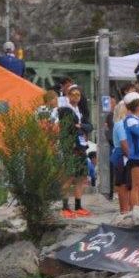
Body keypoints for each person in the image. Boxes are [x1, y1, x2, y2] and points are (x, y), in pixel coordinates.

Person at [53, 84, 93, 217]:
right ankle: (64, 207)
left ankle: (78, 206)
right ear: (68, 96)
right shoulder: (65, 110)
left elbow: (89, 126)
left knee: (81, 177)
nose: (76, 97)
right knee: (68, 177)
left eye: (78, 95)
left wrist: (80, 126)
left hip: (81, 147)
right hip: (70, 147)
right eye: (73, 94)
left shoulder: (80, 111)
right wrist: (81, 127)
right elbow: (68, 128)